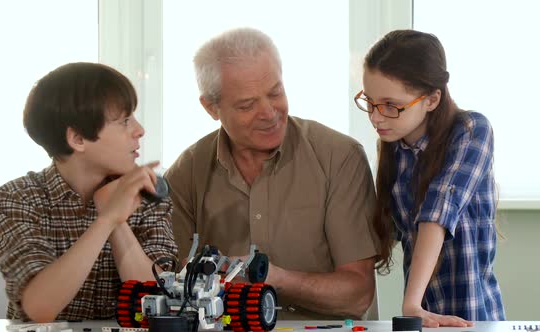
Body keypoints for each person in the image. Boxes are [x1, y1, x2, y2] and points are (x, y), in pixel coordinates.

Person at [165, 27, 385, 320]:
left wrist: (271, 277)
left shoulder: (339, 156)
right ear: (211, 107)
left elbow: (357, 297)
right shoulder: (186, 173)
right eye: (247, 104)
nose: (269, 112)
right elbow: (174, 287)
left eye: (275, 92)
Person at [0, 62, 178, 322]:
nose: (139, 130)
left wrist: (118, 221)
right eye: (125, 121)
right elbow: (39, 309)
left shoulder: (147, 194)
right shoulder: (19, 198)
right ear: (78, 139)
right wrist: (107, 219)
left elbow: (159, 301)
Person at [355, 29, 506, 327]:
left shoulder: (472, 131)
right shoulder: (394, 149)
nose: (375, 116)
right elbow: (381, 233)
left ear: (432, 99)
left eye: (390, 105)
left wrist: (410, 304)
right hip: (424, 320)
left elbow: (437, 214)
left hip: (473, 318)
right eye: (369, 102)